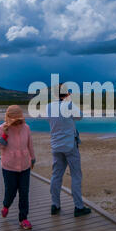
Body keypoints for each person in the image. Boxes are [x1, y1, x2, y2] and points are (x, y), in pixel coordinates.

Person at [46, 84, 91, 217]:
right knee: (76, 175)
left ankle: (55, 204)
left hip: (56, 145)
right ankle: (78, 207)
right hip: (70, 145)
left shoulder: (48, 106)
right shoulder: (69, 105)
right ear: (66, 94)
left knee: (56, 175)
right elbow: (80, 116)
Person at [0, 105, 35, 230]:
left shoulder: (26, 127)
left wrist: (32, 158)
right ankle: (6, 206)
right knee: (10, 191)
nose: (17, 121)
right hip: (9, 166)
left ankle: (23, 219)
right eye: (14, 119)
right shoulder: (1, 128)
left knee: (24, 192)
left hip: (25, 165)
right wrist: (4, 136)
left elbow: (30, 144)